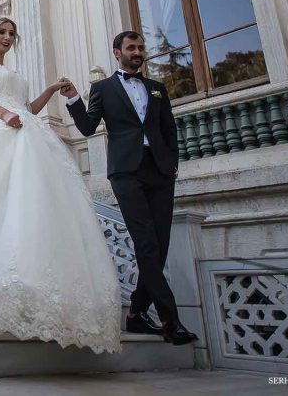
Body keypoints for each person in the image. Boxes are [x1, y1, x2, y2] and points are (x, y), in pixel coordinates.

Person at [0, 15, 121, 353]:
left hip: (25, 128)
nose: (8, 37)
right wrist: (5, 116)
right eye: (2, 32)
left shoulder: (18, 75)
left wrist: (50, 90)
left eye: (12, 34)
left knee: (30, 205)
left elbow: (29, 109)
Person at [59, 30, 198, 346]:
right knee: (146, 243)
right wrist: (72, 99)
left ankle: (136, 313)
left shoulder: (158, 89)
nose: (137, 52)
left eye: (140, 47)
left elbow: (169, 130)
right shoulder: (103, 89)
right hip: (126, 171)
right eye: (131, 47)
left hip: (160, 171)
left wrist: (172, 163)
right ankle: (170, 320)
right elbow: (87, 127)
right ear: (116, 52)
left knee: (159, 246)